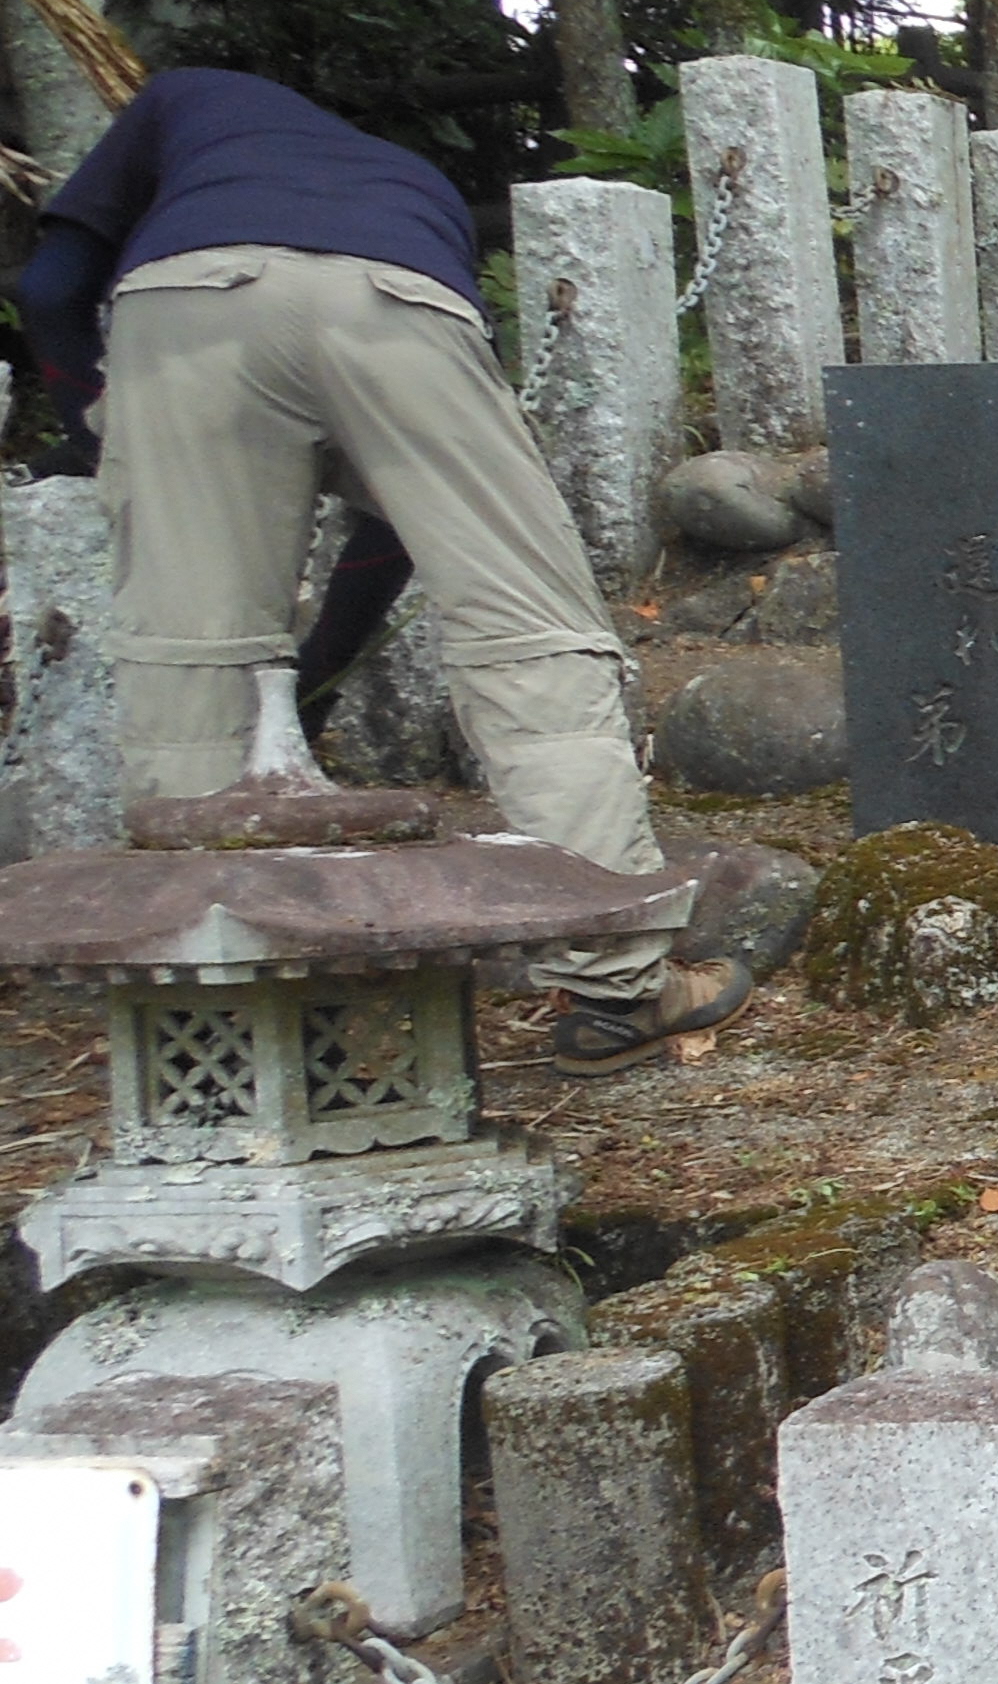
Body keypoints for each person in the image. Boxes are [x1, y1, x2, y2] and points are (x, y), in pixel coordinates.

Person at [12, 68, 743, 1072]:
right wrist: (318, 667)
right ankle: (616, 985)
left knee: (195, 658)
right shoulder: (409, 181)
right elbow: (398, 522)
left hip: (184, 311)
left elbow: (48, 288)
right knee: (528, 634)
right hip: (402, 302)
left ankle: (217, 1024)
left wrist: (97, 430)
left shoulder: (180, 99)